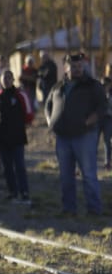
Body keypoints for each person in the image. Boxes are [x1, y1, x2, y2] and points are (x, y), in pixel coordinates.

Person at [46, 52, 105, 217]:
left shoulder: (92, 85)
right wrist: (51, 122)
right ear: (65, 68)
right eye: (73, 66)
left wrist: (89, 121)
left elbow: (102, 107)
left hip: (84, 136)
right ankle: (69, 208)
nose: (77, 69)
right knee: (65, 175)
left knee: (88, 174)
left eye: (80, 66)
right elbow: (48, 105)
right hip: (63, 138)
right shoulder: (58, 87)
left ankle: (94, 209)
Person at [0, 69, 32, 205]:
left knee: (19, 165)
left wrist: (22, 125)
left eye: (9, 78)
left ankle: (24, 192)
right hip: (2, 137)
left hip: (17, 136)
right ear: (0, 80)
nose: (6, 80)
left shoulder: (20, 95)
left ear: (13, 80)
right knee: (7, 166)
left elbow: (28, 114)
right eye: (4, 78)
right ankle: (12, 192)